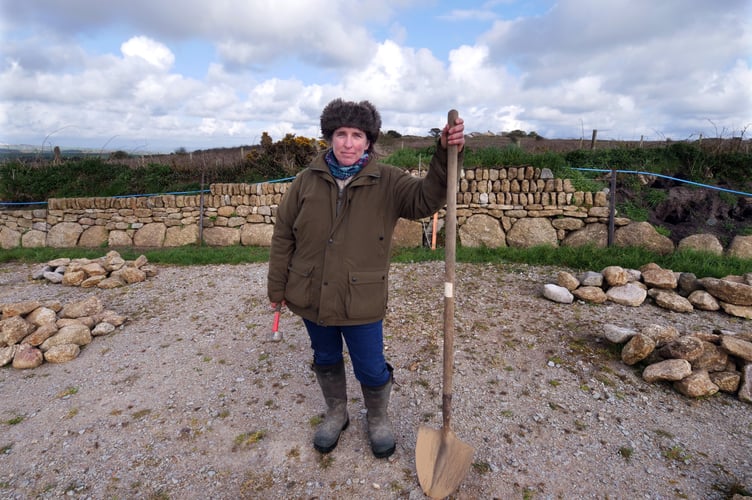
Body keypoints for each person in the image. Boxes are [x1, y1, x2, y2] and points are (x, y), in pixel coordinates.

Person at [267, 98, 465, 459]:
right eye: (340, 134)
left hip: (362, 299)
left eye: (356, 135)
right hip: (310, 294)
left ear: (368, 141)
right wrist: (277, 287)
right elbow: (284, 235)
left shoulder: (387, 181)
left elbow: (426, 199)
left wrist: (443, 155)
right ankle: (336, 413)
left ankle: (378, 418)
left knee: (371, 367)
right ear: (329, 137)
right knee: (325, 357)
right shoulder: (305, 182)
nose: (347, 142)